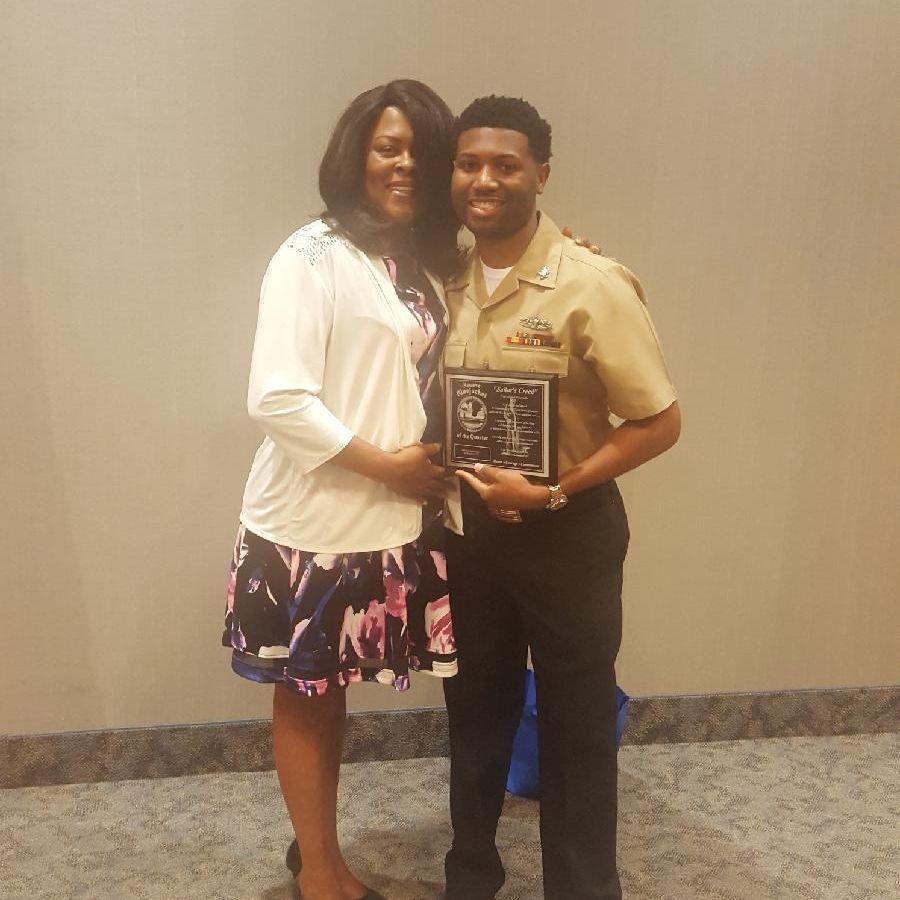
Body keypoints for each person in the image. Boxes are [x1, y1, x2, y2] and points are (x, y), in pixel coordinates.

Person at [221, 80, 461, 900]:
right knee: (309, 696)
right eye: (388, 147)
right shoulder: (311, 255)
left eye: (422, 151)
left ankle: (314, 847)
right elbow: (277, 399)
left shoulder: (419, 261)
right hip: (312, 526)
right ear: (356, 154)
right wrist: (389, 467)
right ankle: (322, 874)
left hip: (384, 520)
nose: (405, 164)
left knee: (330, 697)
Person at [441, 96, 682, 900]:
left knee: (577, 727)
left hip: (566, 534)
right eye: (469, 163)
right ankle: (470, 875)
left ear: (540, 175)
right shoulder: (440, 280)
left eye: (505, 165)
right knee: (474, 713)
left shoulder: (592, 283)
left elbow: (658, 421)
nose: (485, 179)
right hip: (470, 535)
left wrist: (552, 490)